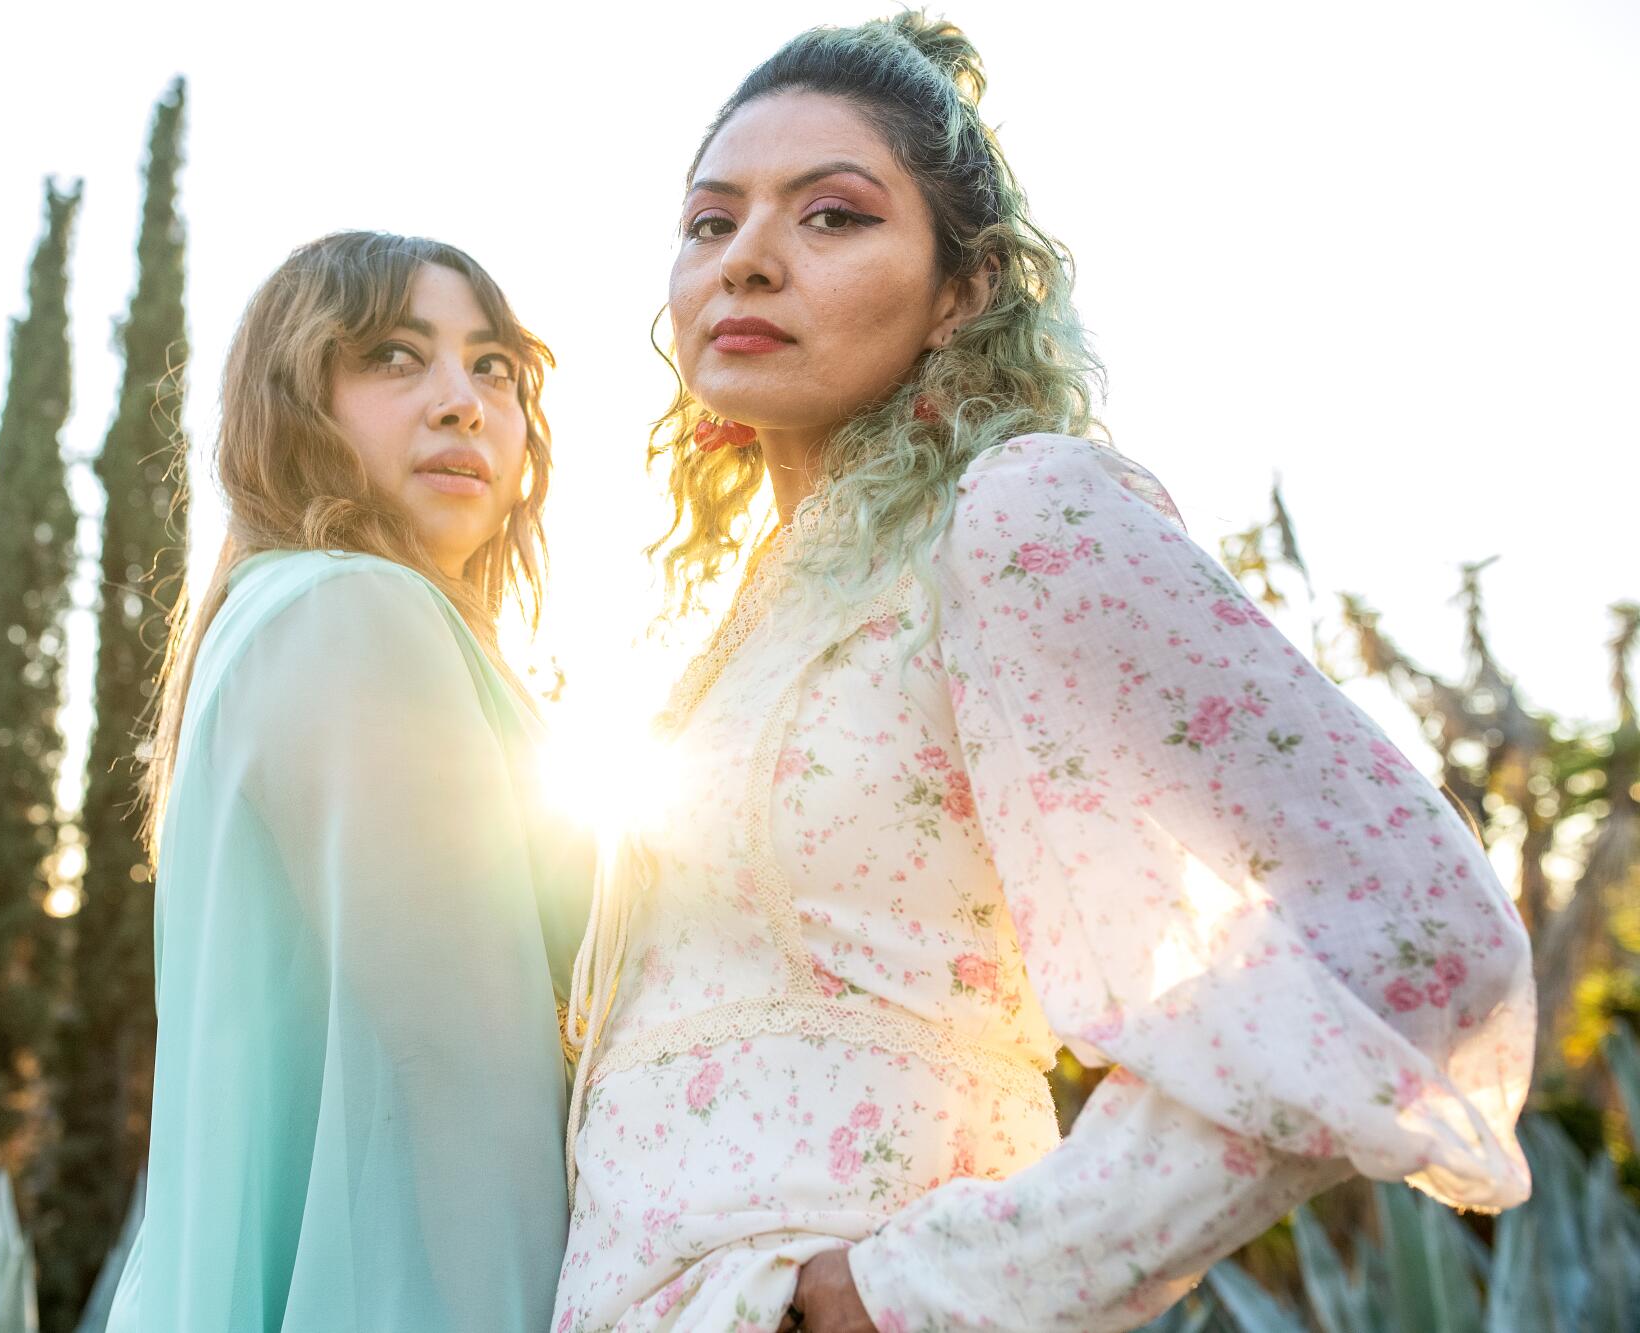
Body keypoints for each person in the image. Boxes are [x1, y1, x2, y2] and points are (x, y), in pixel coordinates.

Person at [555, 15, 1533, 1332]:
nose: (748, 262)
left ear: (963, 291)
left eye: (832, 217)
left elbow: (1416, 921)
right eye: (708, 222)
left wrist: (919, 1289)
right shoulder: (747, 614)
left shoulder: (1019, 511)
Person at [106, 230, 589, 1331]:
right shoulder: (350, 611)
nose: (461, 401)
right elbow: (459, 1072)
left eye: (493, 365)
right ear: (293, 400)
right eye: (392, 356)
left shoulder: (278, 617)